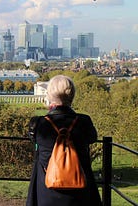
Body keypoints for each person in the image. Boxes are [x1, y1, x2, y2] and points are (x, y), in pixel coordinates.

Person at [26, 75, 102, 206]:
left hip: (47, 188)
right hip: (79, 186)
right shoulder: (84, 122)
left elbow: (35, 141)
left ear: (49, 96)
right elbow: (92, 138)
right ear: (72, 95)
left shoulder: (39, 124)